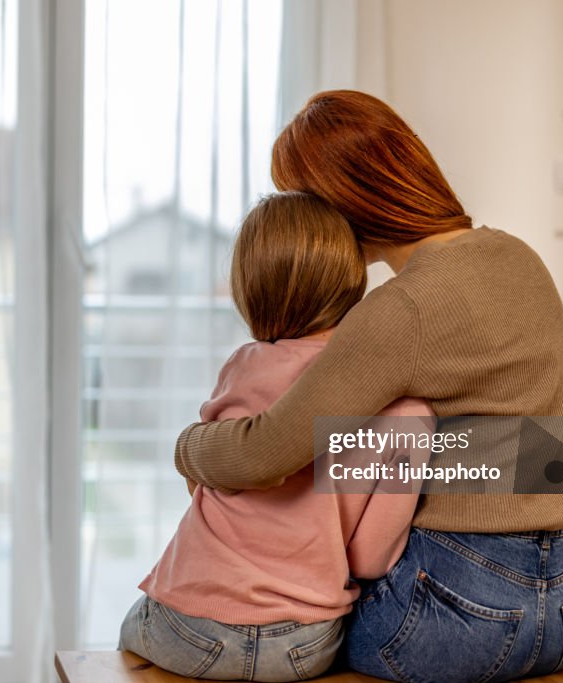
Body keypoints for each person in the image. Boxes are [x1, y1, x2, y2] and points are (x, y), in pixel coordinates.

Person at [174, 91, 563, 682]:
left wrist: (188, 446)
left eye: (309, 206)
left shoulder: (400, 309)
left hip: (464, 615)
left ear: (346, 202)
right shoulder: (516, 254)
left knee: (287, 637)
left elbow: (265, 453)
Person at [119, 192, 434, 682]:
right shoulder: (406, 411)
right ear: (354, 280)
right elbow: (371, 558)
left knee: (129, 635)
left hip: (189, 629)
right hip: (304, 645)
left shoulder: (246, 367)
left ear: (250, 289)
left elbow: (205, 479)